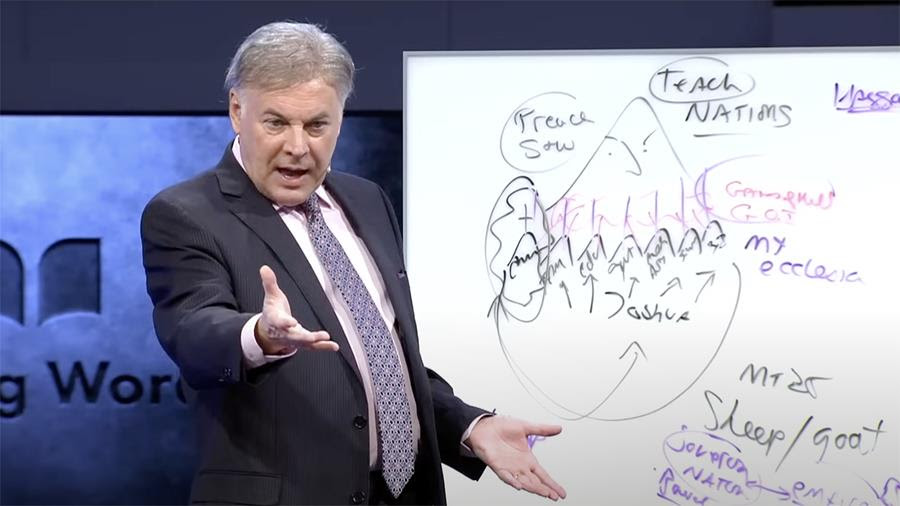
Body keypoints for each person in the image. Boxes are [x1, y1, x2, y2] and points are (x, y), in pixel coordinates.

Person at [141, 21, 566, 505]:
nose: (298, 147)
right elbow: (194, 331)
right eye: (276, 123)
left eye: (317, 125)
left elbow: (383, 362)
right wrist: (259, 334)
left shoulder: (367, 201)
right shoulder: (187, 214)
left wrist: (469, 425)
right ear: (238, 110)